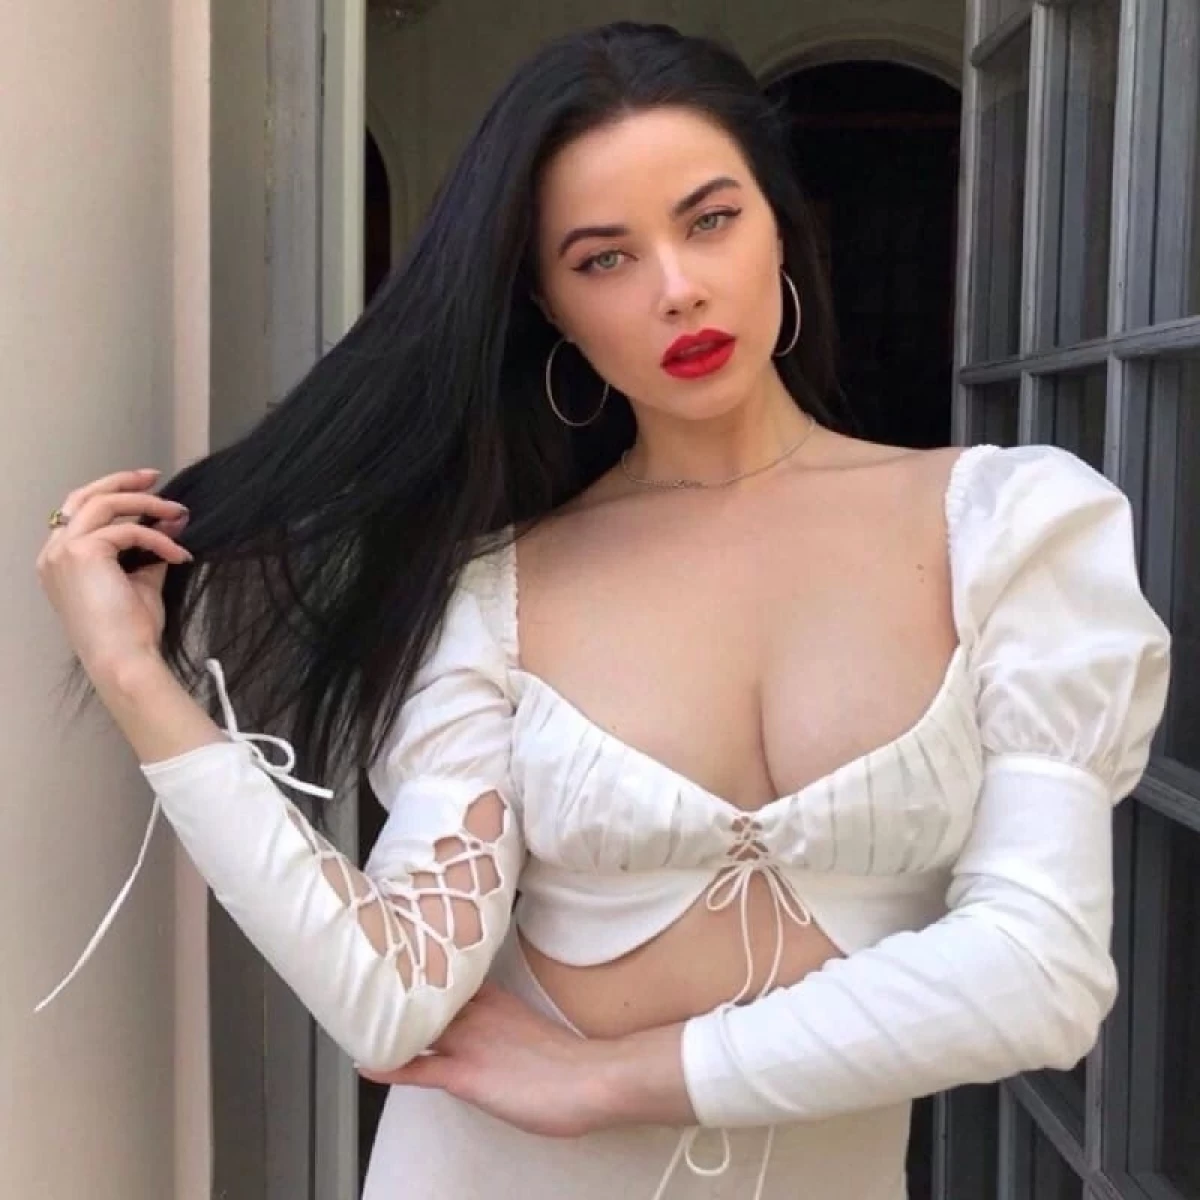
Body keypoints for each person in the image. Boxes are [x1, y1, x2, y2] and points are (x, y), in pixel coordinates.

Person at [35, 21, 1171, 1200]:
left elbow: (1041, 973)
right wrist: (136, 681)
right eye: (604, 258)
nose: (678, 288)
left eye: (710, 220)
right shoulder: (496, 592)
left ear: (781, 223)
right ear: (551, 303)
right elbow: (390, 994)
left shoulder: (1008, 527)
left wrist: (607, 1079)